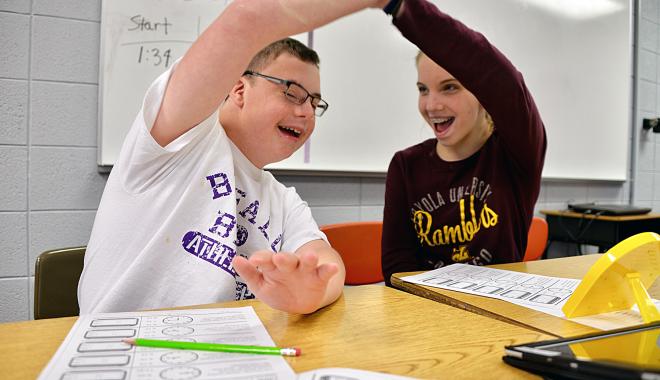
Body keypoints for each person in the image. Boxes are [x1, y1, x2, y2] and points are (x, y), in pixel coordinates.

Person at [78, 0, 390, 314]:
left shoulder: (283, 199)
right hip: (120, 345)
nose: (307, 111)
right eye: (292, 92)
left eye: (315, 102)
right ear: (239, 89)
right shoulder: (181, 137)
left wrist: (313, 292)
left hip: (223, 350)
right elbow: (247, 19)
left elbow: (327, 263)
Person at [381, 0, 547, 285]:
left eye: (450, 87)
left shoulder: (515, 153)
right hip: (428, 315)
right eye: (423, 89)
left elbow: (502, 79)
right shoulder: (405, 165)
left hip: (500, 314)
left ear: (484, 92)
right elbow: (397, 267)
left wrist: (401, 6)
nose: (432, 105)